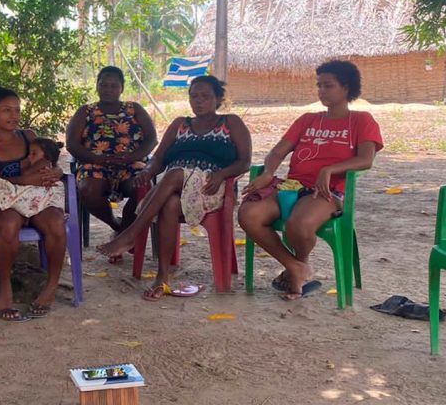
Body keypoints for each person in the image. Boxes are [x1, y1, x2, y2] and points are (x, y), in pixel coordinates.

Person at [238, 60, 383, 301]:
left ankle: (296, 270)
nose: (321, 91)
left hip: (328, 192)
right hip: (293, 186)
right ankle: (295, 267)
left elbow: (366, 160)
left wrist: (330, 169)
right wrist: (268, 173)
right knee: (248, 214)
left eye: (328, 85)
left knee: (300, 224)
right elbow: (277, 152)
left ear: (346, 88)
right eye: (319, 86)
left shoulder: (362, 120)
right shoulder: (307, 120)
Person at [96, 76, 251, 300]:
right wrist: (148, 171)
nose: (199, 101)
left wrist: (222, 174)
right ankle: (162, 277)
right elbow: (157, 159)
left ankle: (130, 234)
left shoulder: (230, 122)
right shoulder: (180, 124)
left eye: (205, 96)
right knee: (169, 204)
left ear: (218, 99)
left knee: (174, 173)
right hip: (173, 191)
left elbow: (244, 162)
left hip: (211, 187)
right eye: (194, 96)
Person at [0, 87, 67, 322]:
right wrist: (27, 180)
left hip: (37, 198)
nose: (13, 116)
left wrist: (56, 171)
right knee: (8, 226)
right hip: (9, 200)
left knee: (57, 223)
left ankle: (51, 287)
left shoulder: (29, 137)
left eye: (17, 110)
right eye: (6, 110)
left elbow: (51, 160)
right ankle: (5, 289)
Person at [66, 66, 157, 238]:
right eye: (103, 85)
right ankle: (117, 226)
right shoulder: (86, 111)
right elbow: (71, 144)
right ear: (97, 86)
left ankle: (125, 231)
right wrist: (97, 159)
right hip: (94, 164)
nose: (108, 89)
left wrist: (132, 157)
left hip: (131, 163)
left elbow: (152, 139)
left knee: (143, 187)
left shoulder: (134, 109)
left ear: (122, 88)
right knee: (88, 189)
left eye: (114, 85)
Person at [0, 136, 65, 232]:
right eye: (29, 153)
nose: (29, 157)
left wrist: (22, 167)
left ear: (47, 156)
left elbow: (25, 178)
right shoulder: (47, 165)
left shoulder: (43, 163)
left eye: (33, 154)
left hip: (33, 197)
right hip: (32, 196)